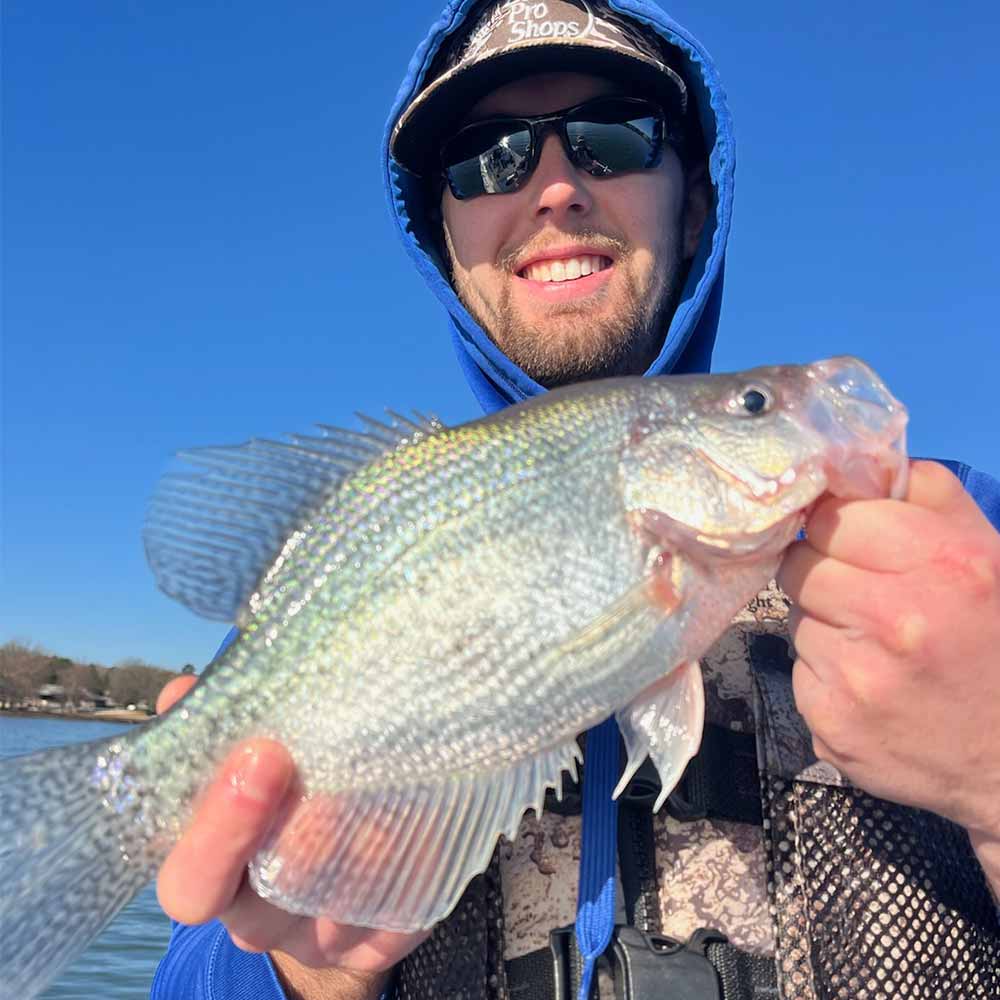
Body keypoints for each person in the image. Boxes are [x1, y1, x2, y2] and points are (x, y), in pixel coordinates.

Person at [151, 2, 1000, 998]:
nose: (553, 186)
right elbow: (187, 971)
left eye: (613, 137)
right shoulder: (346, 556)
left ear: (691, 204)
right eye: (485, 157)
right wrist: (301, 968)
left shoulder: (961, 546)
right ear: (443, 237)